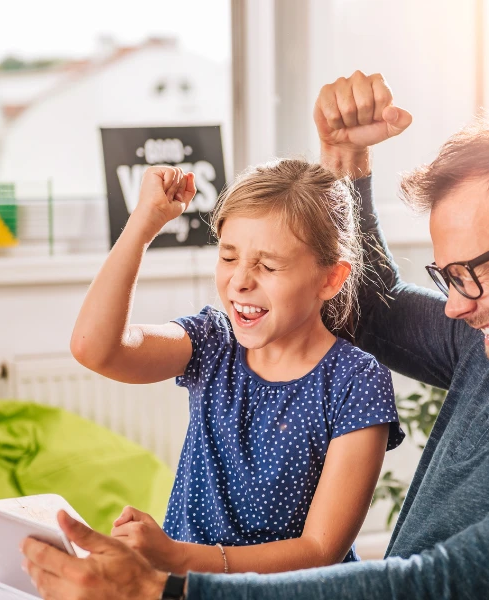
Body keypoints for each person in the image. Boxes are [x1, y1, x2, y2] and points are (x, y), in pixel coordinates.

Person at [22, 71, 489, 600]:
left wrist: (166, 587)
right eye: (448, 278)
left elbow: (435, 586)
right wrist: (346, 163)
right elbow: (368, 307)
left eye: (469, 274)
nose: (453, 309)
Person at [67, 159, 403, 576]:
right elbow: (95, 348)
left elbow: (320, 550)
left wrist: (178, 558)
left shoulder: (356, 381)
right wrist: (143, 224)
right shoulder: (213, 341)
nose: (240, 281)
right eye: (228, 257)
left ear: (330, 279)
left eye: (268, 265)